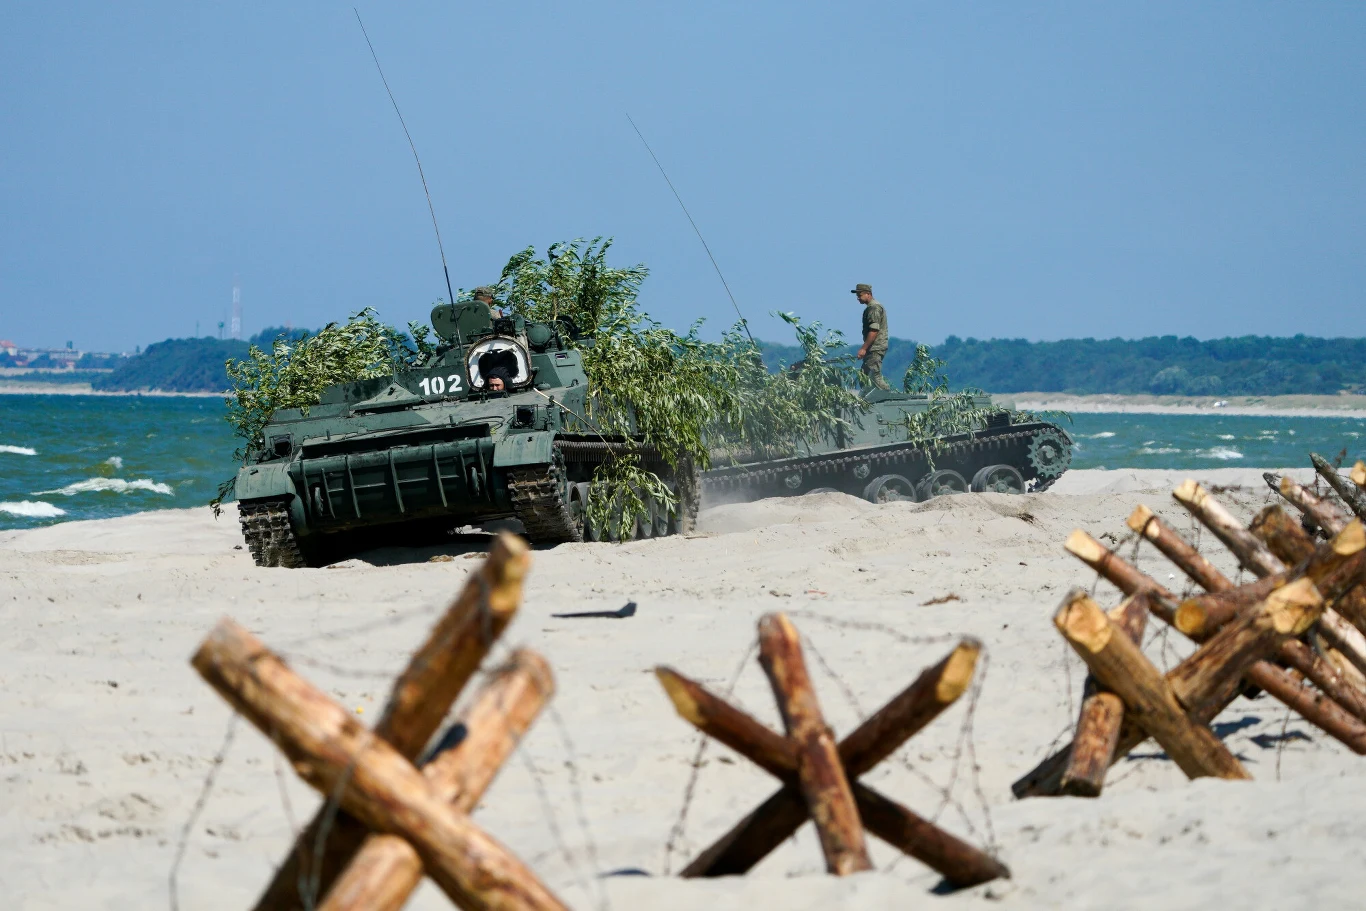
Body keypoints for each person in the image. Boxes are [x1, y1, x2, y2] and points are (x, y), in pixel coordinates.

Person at [852, 283, 891, 391]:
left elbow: (874, 330)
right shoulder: (871, 307)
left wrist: (864, 348)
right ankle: (869, 400)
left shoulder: (874, 308)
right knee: (864, 377)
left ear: (868, 294)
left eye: (860, 295)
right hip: (873, 348)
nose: (858, 298)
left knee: (873, 376)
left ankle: (887, 396)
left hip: (875, 347)